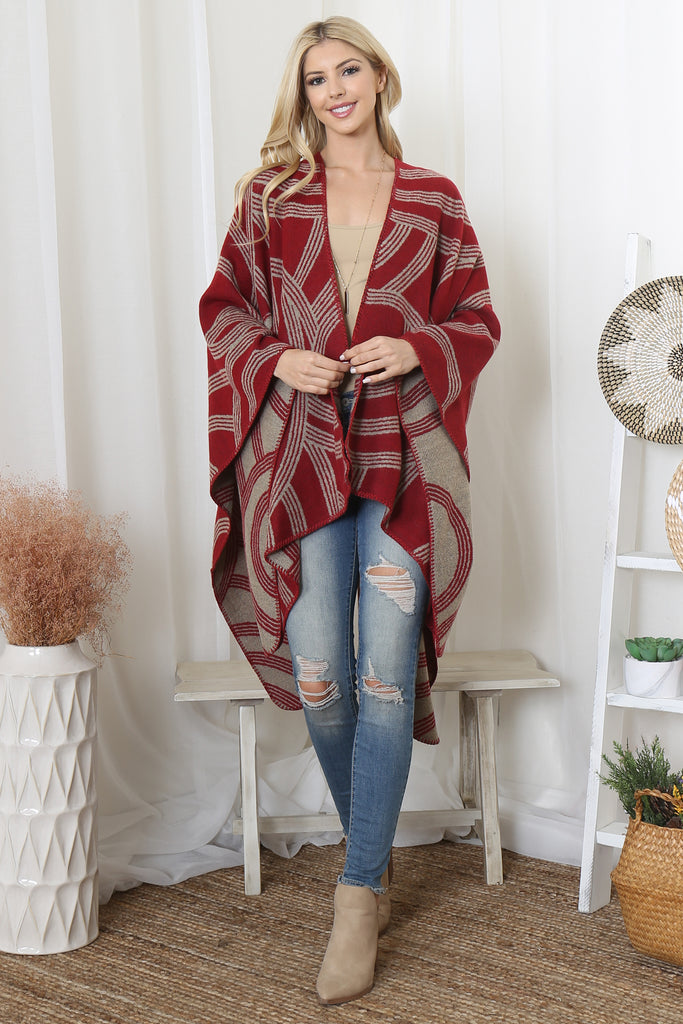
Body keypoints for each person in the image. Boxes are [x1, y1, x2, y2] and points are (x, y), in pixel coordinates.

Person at [199, 15, 501, 1006]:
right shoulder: (270, 198)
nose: (333, 90)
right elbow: (223, 309)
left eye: (347, 69)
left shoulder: (433, 198)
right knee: (323, 675)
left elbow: (476, 317)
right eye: (314, 78)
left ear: (378, 77)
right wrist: (277, 357)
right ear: (303, 94)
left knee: (382, 678)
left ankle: (356, 891)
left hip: (402, 463)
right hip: (301, 458)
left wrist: (417, 346)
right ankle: (368, 857)